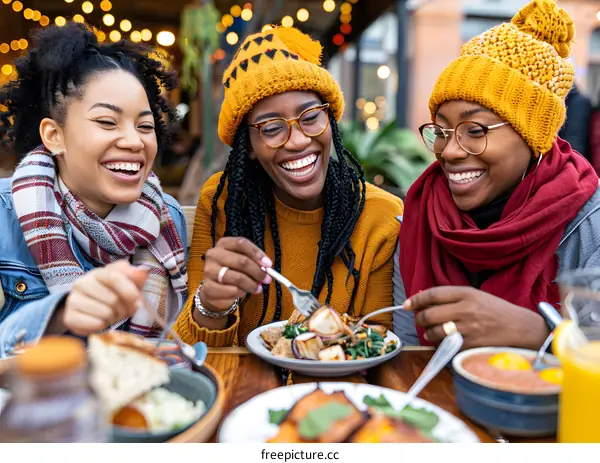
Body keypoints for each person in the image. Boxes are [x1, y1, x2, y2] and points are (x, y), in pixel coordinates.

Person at [173, 27, 403, 347]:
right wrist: (211, 303)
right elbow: (194, 350)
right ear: (249, 145)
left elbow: (380, 342)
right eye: (271, 128)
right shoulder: (224, 200)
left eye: (310, 117)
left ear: (330, 121)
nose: (297, 141)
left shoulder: (380, 215)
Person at [395, 0, 600, 350]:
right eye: (442, 131)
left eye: (475, 130)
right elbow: (407, 349)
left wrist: (541, 335)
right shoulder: (423, 212)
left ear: (532, 136)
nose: (450, 151)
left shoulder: (588, 222)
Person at [0, 23, 187, 357]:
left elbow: (178, 345)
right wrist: (57, 315)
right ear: (54, 135)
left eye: (145, 126)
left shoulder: (167, 216)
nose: (134, 141)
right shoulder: (3, 215)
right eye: (107, 122)